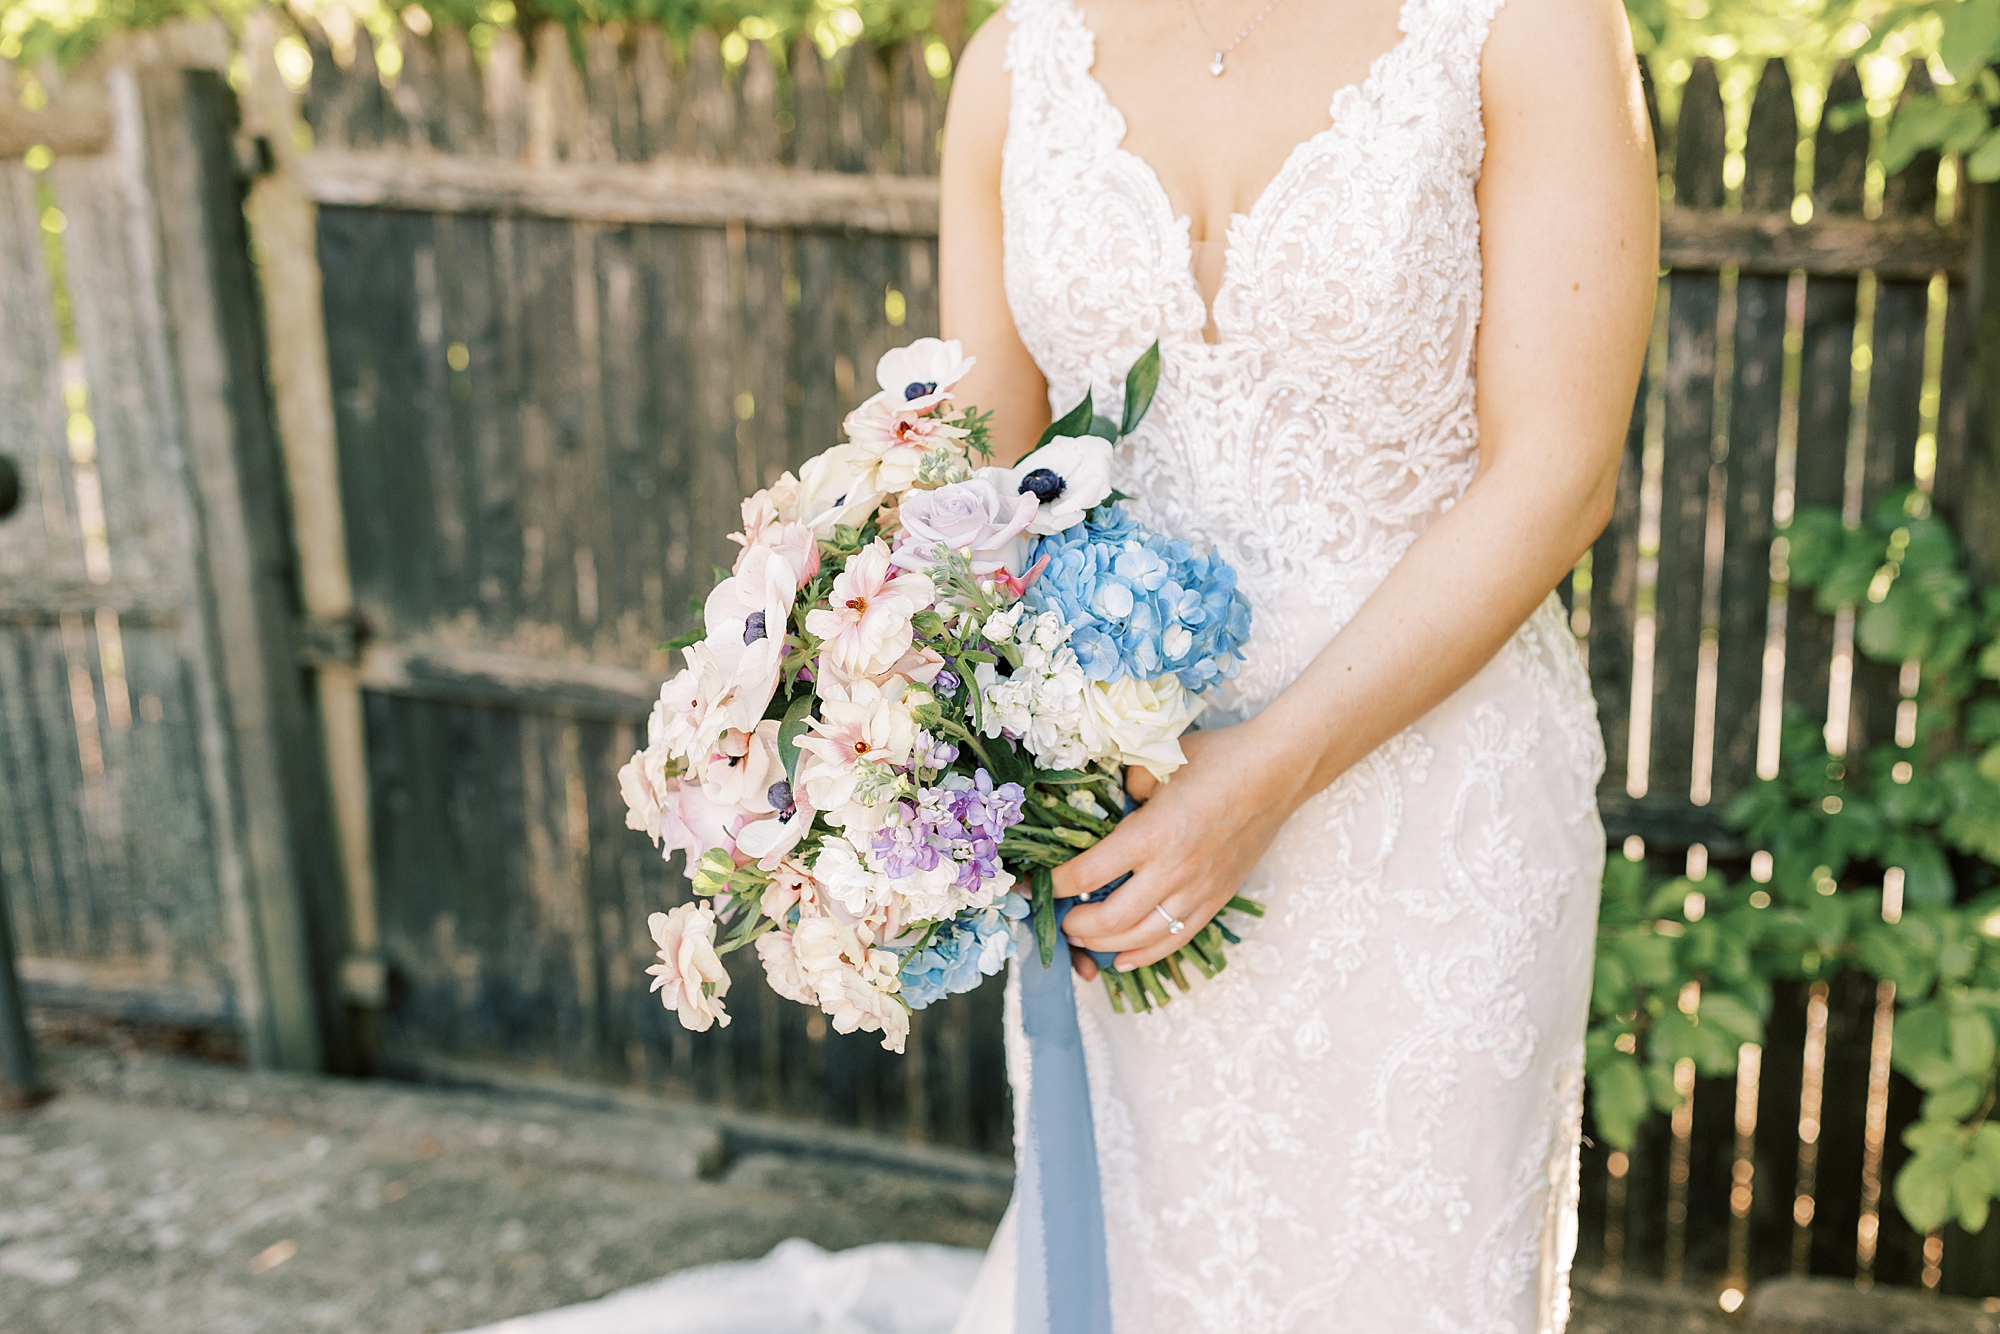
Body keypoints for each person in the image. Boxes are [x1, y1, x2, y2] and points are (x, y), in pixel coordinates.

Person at [936, 0, 1657, 1327]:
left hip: (1437, 814)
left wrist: (1264, 775)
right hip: (1128, 808)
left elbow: (1560, 475)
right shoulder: (1013, 63)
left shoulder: (1527, 25)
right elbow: (971, 492)